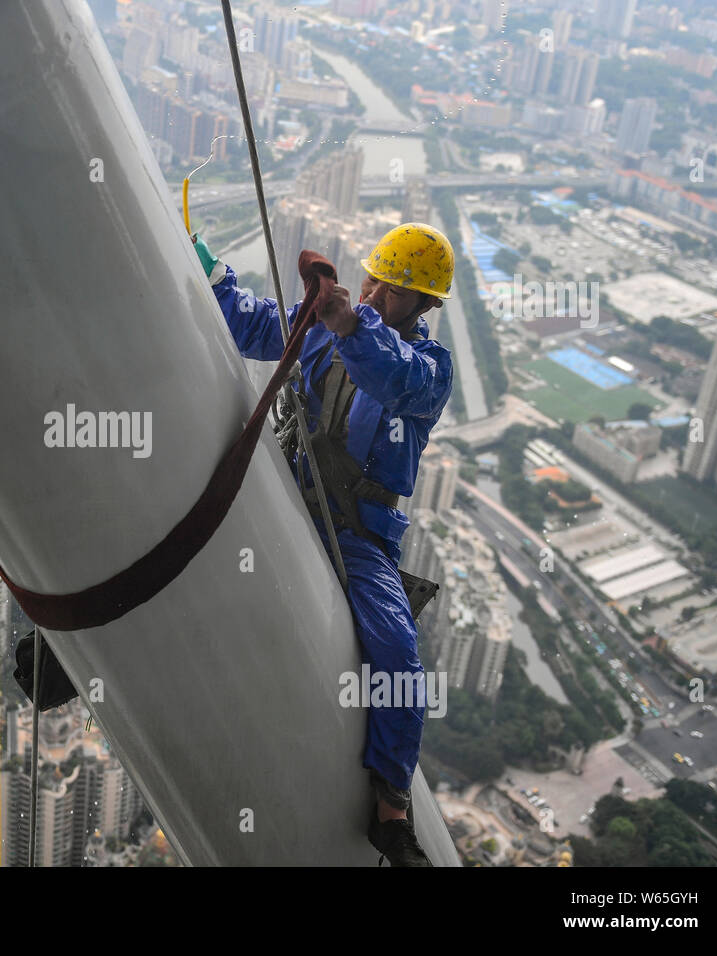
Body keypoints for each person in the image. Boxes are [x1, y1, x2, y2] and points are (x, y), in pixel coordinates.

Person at [194, 223, 455, 867]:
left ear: (423, 305)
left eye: (391, 291)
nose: (372, 294)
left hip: (355, 534)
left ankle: (391, 810)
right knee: (186, 525)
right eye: (372, 280)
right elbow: (255, 325)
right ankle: (70, 653)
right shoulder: (328, 328)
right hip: (285, 492)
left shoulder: (428, 372)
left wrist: (345, 321)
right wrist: (206, 267)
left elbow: (389, 376)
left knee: (396, 654)